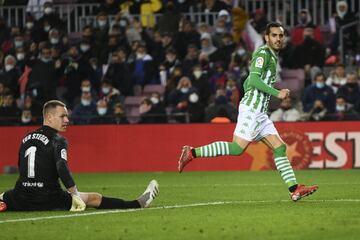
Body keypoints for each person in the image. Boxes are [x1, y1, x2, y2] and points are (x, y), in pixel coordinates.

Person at [178, 22, 318, 202]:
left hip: (260, 112)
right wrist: (277, 93)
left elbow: (247, 82)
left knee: (280, 147)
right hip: (253, 108)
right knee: (237, 149)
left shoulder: (272, 56)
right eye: (274, 35)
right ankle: (191, 152)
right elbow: (253, 78)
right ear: (267, 37)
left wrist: (255, 90)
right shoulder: (263, 53)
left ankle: (295, 189)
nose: (277, 39)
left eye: (280, 36)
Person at [0, 100, 159, 212]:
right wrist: (74, 195)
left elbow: (21, 167)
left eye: (67, 116)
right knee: (93, 198)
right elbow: (62, 167)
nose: (67, 120)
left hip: (20, 197)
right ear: (48, 117)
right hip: (49, 198)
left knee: (2, 196)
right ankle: (138, 204)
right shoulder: (58, 139)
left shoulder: (26, 137)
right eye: (62, 116)